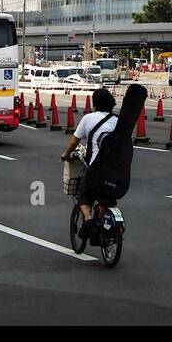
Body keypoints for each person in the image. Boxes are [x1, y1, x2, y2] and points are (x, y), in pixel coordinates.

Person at [60, 87, 118, 233]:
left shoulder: (88, 118)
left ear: (95, 104)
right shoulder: (118, 121)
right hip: (118, 171)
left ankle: (88, 220)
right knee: (108, 195)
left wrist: (66, 154)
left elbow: (74, 142)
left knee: (84, 195)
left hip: (97, 170)